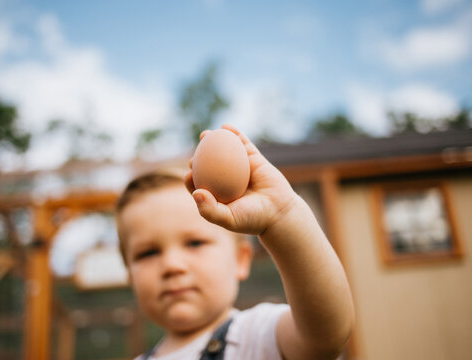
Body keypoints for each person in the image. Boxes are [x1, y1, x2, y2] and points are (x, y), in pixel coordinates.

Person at [115, 124, 354, 360]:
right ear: (129, 276)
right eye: (148, 253)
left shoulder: (257, 337)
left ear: (241, 259)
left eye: (195, 243)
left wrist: (283, 217)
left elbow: (325, 334)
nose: (172, 265)